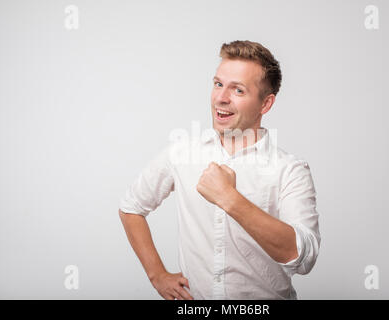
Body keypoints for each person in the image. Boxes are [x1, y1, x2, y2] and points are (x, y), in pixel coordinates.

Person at [118, 40, 321, 300]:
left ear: (265, 104)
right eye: (218, 84)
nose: (221, 98)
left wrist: (230, 198)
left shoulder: (290, 170)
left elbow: (304, 258)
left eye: (238, 90)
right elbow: (131, 207)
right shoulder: (181, 153)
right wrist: (157, 275)